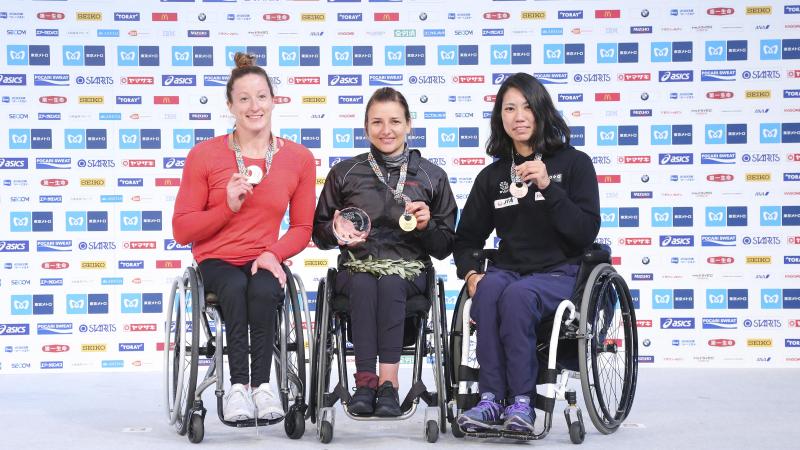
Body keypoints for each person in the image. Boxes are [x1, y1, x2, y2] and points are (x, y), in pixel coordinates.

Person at [172, 52, 316, 422]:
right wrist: (227, 207)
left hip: (263, 256)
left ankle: (263, 387)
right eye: (244, 99)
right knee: (234, 288)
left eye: (262, 96)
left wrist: (274, 253)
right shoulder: (204, 155)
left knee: (266, 289)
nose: (255, 106)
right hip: (217, 259)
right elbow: (182, 229)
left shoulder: (298, 158)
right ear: (231, 106)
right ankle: (237, 388)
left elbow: (302, 227)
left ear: (273, 100)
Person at [454, 72, 600, 432]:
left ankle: (522, 403)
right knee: (488, 290)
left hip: (560, 271)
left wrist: (549, 186)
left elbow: (584, 232)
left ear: (541, 112)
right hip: (510, 269)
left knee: (518, 296)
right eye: (509, 108)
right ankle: (490, 400)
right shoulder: (493, 176)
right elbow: (466, 238)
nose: (518, 116)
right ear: (500, 118)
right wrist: (472, 273)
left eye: (526, 107)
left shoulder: (574, 163)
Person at [313, 87, 457, 417]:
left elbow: (446, 246)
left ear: (409, 125)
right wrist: (335, 231)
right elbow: (319, 234)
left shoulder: (432, 176)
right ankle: (365, 383)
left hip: (409, 273)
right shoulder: (344, 173)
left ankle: (389, 385)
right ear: (365, 128)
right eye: (377, 122)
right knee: (364, 283)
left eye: (394, 121)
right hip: (356, 269)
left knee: (390, 283)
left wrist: (426, 226)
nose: (386, 130)